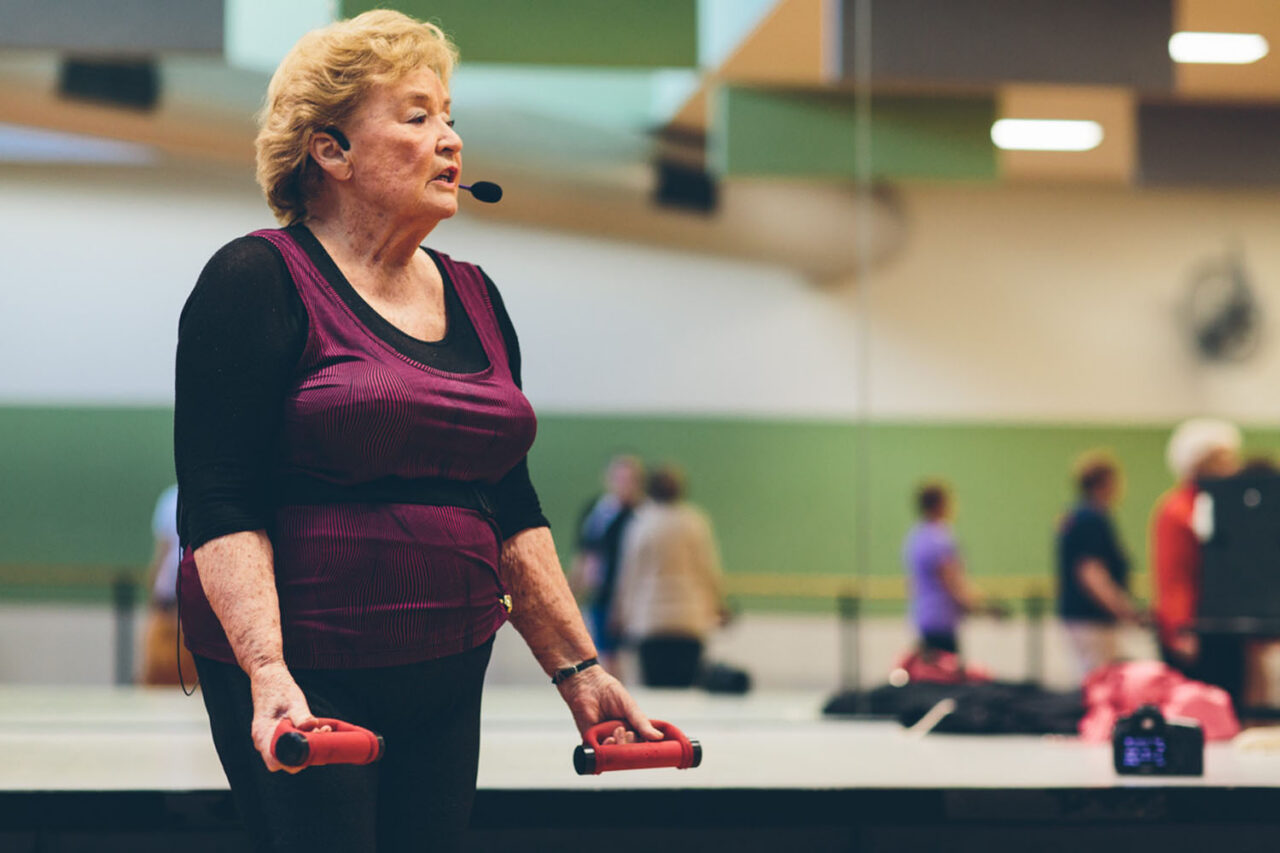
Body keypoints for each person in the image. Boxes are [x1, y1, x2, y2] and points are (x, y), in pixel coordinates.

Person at [172, 11, 658, 852]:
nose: (451, 140)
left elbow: (510, 496)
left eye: (451, 116)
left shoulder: (476, 294)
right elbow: (218, 501)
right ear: (331, 150)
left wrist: (579, 669)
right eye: (417, 115)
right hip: (307, 671)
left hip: (446, 666)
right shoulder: (254, 279)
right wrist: (267, 670)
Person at [1152, 418, 1243, 700]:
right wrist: (1181, 628)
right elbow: (1174, 574)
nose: (1232, 468)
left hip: (1225, 623)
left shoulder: (1228, 507)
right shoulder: (1177, 509)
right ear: (1197, 464)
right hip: (1192, 627)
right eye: (1221, 460)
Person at [613, 464, 727, 687]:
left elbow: (628, 574)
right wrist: (718, 605)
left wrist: (619, 613)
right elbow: (709, 570)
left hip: (650, 619)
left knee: (656, 692)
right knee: (685, 688)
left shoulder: (641, 523)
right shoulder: (695, 522)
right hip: (690, 618)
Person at [1055, 451, 1144, 678]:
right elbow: (1092, 573)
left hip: (1082, 616)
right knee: (1099, 681)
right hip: (1092, 619)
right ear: (1107, 482)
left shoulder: (1076, 516)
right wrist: (1124, 609)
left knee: (1093, 675)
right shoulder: (1091, 518)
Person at [901, 481, 999, 656]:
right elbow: (954, 584)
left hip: (924, 619)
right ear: (941, 504)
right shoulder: (941, 538)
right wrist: (986, 607)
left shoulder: (915, 537)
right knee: (946, 678)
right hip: (942, 622)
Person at [571, 454, 645, 673]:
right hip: (603, 596)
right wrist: (572, 594)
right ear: (609, 479)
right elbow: (585, 555)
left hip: (636, 600)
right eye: (620, 478)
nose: (625, 485)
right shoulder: (597, 513)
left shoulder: (644, 516)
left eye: (631, 479)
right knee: (606, 660)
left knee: (635, 663)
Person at [139, 483, 196, 685]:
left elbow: (161, 551)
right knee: (159, 671)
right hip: (170, 598)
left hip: (188, 597)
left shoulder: (173, 498)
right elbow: (162, 550)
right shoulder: (171, 498)